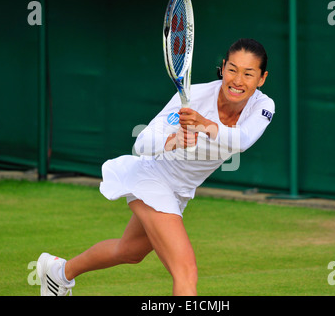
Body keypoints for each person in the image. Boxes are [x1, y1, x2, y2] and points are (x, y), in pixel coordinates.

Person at [36, 38, 275, 296]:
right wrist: (173, 140)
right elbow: (142, 142)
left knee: (129, 251)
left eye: (248, 74)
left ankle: (58, 272)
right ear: (223, 68)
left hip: (181, 191)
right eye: (232, 69)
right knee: (186, 272)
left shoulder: (263, 106)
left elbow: (242, 140)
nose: (237, 80)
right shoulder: (192, 97)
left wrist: (203, 124)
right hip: (153, 178)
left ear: (261, 79)